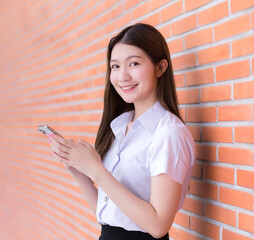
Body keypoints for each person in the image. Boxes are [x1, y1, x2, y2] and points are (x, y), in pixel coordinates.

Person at [47, 23, 196, 240]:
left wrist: (97, 170)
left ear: (160, 67)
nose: (122, 76)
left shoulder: (169, 133)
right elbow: (110, 216)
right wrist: (78, 171)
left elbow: (158, 225)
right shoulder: (120, 128)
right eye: (115, 66)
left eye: (134, 63)